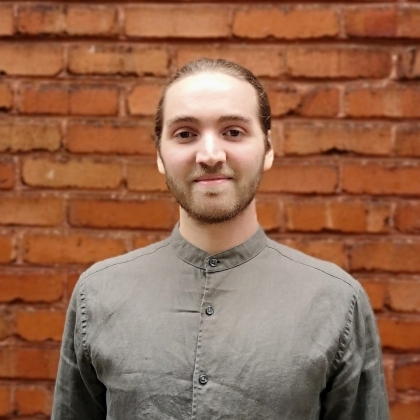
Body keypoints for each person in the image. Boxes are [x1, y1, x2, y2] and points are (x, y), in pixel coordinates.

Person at [52, 58, 389, 419]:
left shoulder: (337, 300)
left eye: (233, 132)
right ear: (160, 156)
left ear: (268, 149)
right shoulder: (98, 293)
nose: (210, 155)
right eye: (185, 133)